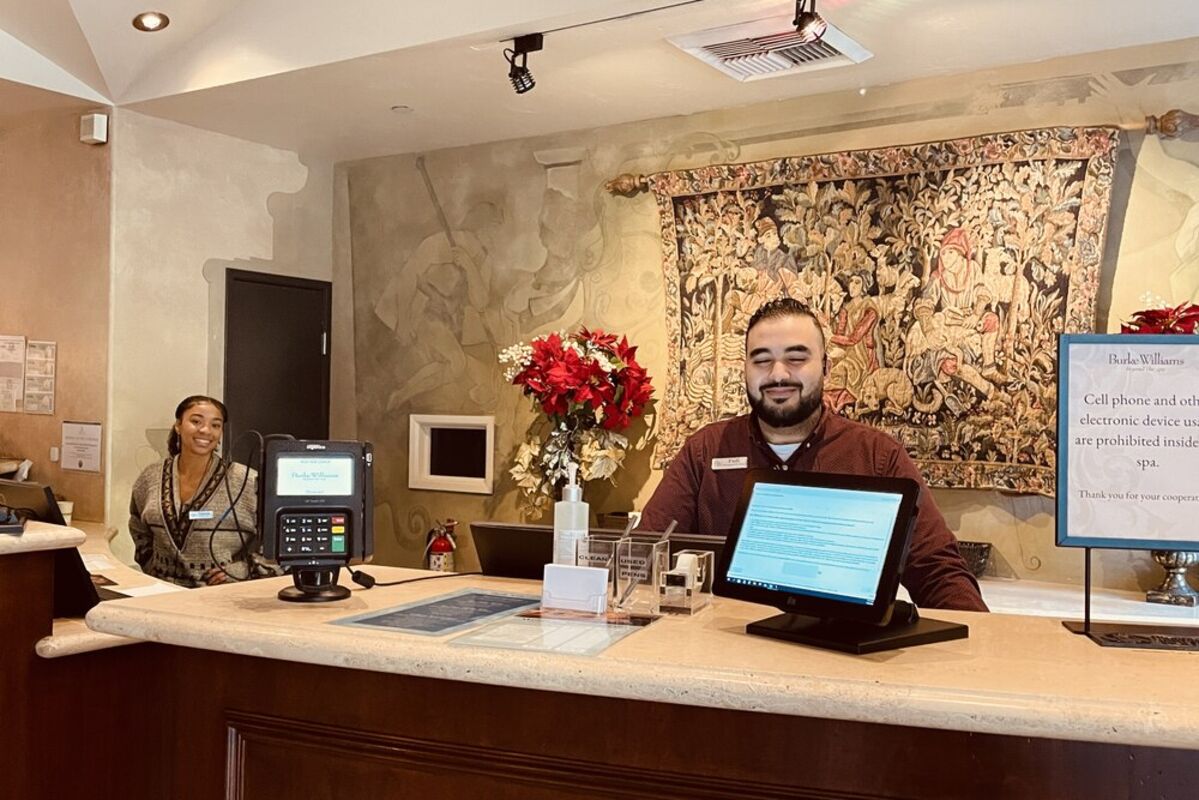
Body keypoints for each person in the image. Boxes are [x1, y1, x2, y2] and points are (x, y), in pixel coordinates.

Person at [639, 298, 987, 612]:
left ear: (826, 367)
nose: (778, 374)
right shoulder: (705, 450)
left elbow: (938, 571)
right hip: (725, 656)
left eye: (796, 358)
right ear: (744, 369)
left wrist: (980, 656)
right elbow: (644, 553)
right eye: (762, 360)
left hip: (840, 661)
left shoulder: (877, 457)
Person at [128, 395, 278, 587]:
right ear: (178, 425)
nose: (206, 430)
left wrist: (245, 570)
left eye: (215, 425)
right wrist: (152, 565)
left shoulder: (246, 481)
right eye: (196, 421)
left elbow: (282, 539)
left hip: (222, 600)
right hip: (162, 595)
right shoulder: (150, 477)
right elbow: (138, 527)